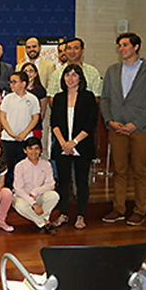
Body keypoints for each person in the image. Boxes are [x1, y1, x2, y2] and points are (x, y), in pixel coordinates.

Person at [100, 32, 146, 227]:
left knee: (139, 171)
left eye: (125, 45)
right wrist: (109, 120)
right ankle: (119, 209)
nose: (121, 49)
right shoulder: (112, 70)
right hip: (116, 127)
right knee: (118, 171)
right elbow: (105, 99)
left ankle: (139, 210)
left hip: (140, 128)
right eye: (119, 45)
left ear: (136, 47)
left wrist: (135, 124)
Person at [51, 64, 98, 230]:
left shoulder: (88, 97)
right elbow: (54, 123)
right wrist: (64, 143)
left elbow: (91, 123)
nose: (70, 78)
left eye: (74, 74)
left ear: (80, 78)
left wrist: (74, 142)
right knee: (63, 182)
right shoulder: (58, 97)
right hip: (62, 147)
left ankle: (81, 216)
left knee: (81, 182)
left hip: (82, 146)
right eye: (67, 74)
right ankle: (63, 213)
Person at [0, 71, 40, 186]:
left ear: (23, 83)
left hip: (25, 139)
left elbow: (35, 117)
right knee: (7, 168)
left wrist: (24, 133)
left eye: (14, 82)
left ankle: (24, 191)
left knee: (25, 168)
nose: (11, 84)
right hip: (8, 139)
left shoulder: (32, 99)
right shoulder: (7, 98)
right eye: (10, 82)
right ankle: (7, 191)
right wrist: (11, 133)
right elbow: (2, 116)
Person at [13, 137, 60, 233]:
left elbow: (51, 184)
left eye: (36, 148)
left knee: (54, 196)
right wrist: (33, 203)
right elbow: (18, 189)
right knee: (20, 205)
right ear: (25, 150)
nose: (33, 151)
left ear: (41, 150)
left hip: (39, 195)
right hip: (24, 197)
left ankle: (42, 220)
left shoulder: (46, 164)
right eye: (30, 148)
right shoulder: (20, 166)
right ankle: (43, 222)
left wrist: (35, 192)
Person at [22, 62, 48, 140]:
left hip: (35, 126)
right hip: (21, 125)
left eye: (31, 71)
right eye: (26, 71)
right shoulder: (19, 89)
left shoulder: (40, 90)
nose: (28, 73)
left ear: (36, 73)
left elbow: (42, 110)